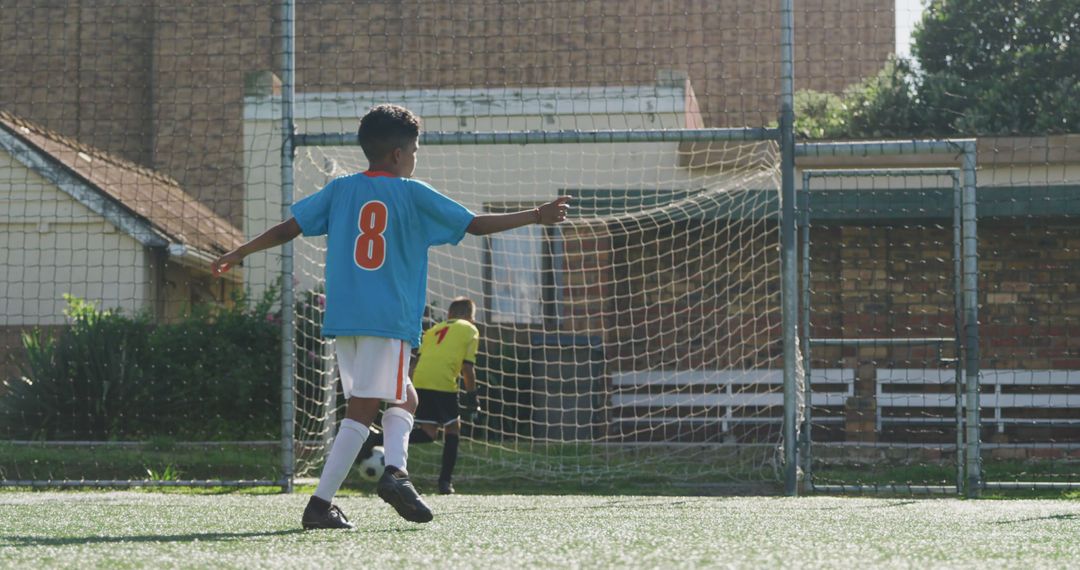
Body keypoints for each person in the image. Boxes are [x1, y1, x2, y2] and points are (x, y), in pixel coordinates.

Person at [211, 104, 570, 530]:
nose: (416, 158)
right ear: (399, 155)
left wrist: (241, 251)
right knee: (363, 410)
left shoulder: (340, 189)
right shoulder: (412, 192)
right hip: (387, 318)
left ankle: (396, 475)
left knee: (406, 397)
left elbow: (289, 228)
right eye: (415, 150)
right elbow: (473, 225)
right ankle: (322, 503)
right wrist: (536, 216)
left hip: (346, 318)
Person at [360, 296, 481, 495]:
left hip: (420, 382)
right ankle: (445, 482)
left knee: (428, 433)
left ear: (449, 314)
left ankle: (376, 439)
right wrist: (472, 396)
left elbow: (417, 362)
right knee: (453, 428)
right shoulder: (470, 329)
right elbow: (467, 368)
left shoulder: (433, 331)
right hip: (443, 383)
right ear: (470, 317)